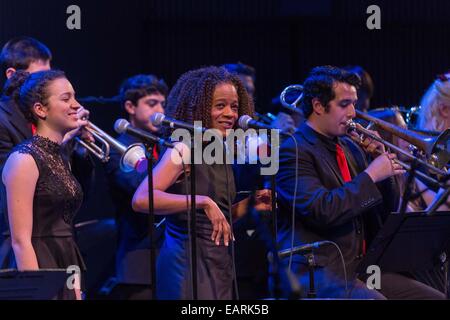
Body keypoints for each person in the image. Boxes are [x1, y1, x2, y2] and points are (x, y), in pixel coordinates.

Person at [275, 65, 445, 299]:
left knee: (433, 298)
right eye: (344, 104)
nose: (354, 112)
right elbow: (322, 210)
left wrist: (382, 166)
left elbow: (385, 210)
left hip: (361, 268)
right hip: (320, 270)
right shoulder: (293, 150)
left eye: (354, 103)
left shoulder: (350, 146)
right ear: (317, 106)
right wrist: (371, 175)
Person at [131, 66, 257, 300]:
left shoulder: (221, 150)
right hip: (187, 264)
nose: (230, 113)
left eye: (234, 107)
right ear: (199, 108)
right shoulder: (184, 146)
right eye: (220, 106)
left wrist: (251, 202)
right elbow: (142, 199)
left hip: (218, 263)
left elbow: (223, 216)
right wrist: (203, 202)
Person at [1, 70, 88, 299]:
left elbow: (65, 233)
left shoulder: (58, 157)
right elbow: (20, 241)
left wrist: (76, 290)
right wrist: (37, 291)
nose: (76, 105)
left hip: (65, 262)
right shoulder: (24, 159)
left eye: (75, 97)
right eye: (66, 98)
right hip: (37, 265)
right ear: (40, 109)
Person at [0, 36, 91, 248]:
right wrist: (61, 141)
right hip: (25, 239)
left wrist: (79, 147)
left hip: (63, 239)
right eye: (40, 77)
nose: (47, 84)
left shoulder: (57, 126)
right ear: (12, 75)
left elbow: (75, 192)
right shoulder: (3, 120)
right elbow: (10, 183)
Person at [104, 74, 168, 299]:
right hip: (139, 259)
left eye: (162, 104)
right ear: (130, 107)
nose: (160, 111)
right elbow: (144, 190)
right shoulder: (118, 149)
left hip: (169, 259)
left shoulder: (162, 145)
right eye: (152, 104)